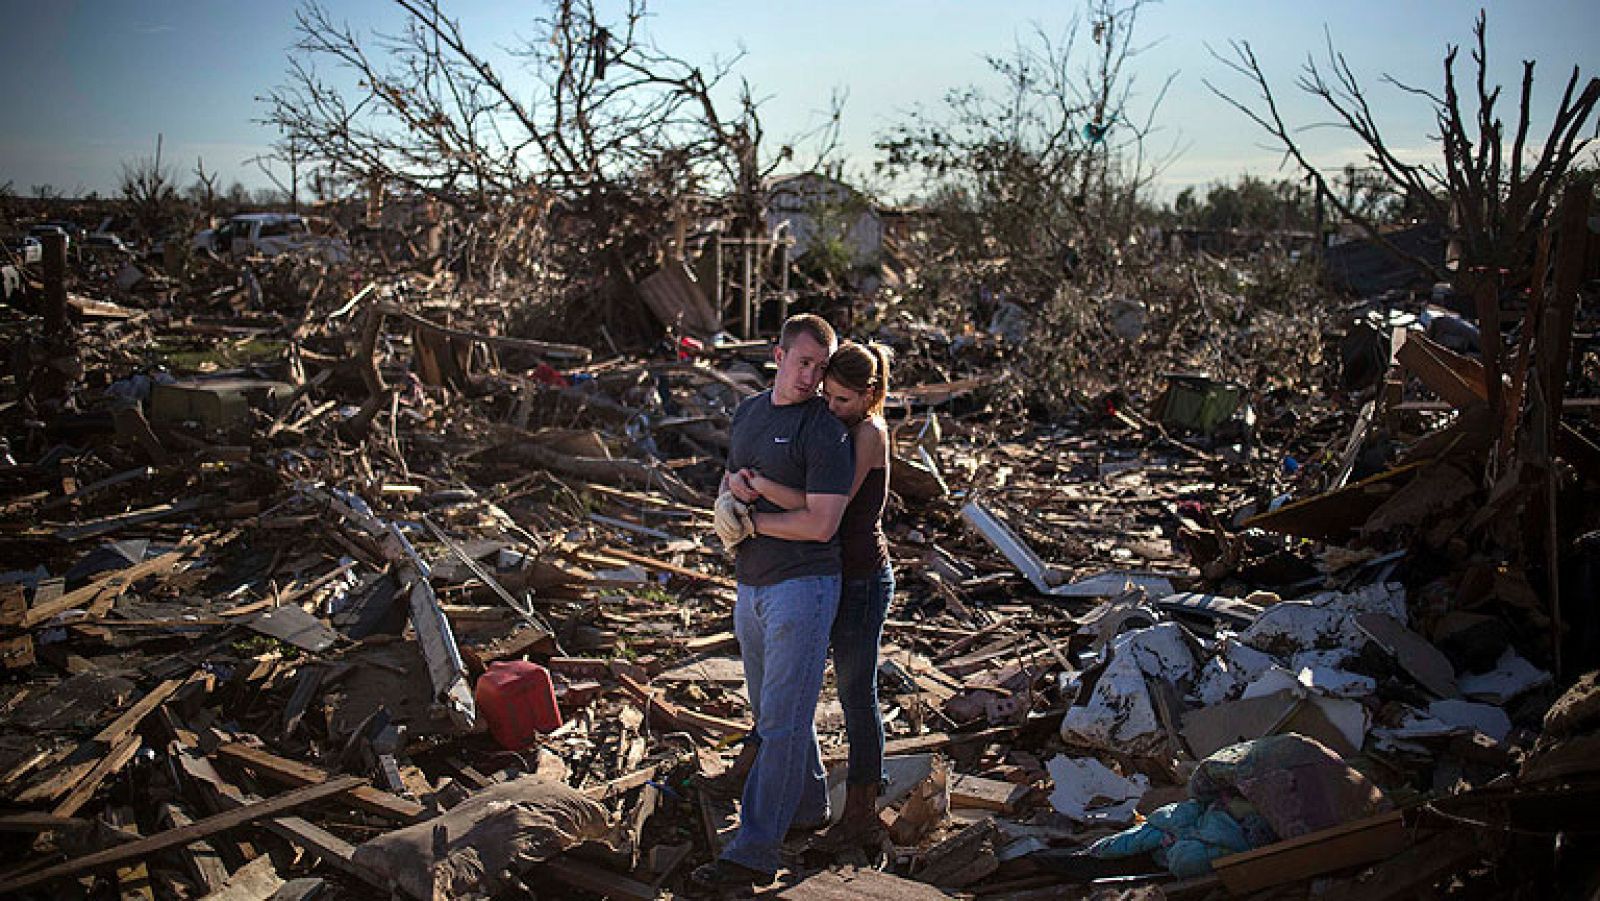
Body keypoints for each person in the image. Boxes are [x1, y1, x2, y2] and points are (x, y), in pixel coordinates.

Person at [692, 314, 855, 891]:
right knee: (773, 715)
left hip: (804, 588)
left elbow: (821, 523)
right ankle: (809, 809)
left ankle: (755, 850)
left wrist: (755, 520)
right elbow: (734, 475)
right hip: (753, 584)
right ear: (779, 356)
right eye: (803, 362)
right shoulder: (750, 411)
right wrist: (726, 501)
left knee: (782, 724)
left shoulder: (825, 431)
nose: (811, 376)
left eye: (821, 366)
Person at [734, 341, 895, 854]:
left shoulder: (868, 433)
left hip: (863, 579)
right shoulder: (833, 426)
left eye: (843, 400)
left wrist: (759, 492)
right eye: (827, 396)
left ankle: (863, 810)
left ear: (869, 396)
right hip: (828, 575)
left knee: (854, 693)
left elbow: (825, 507)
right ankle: (797, 792)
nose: (830, 407)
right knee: (794, 684)